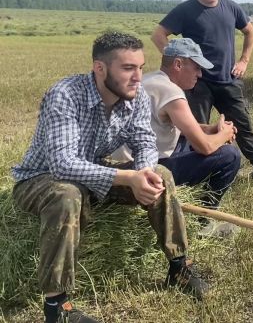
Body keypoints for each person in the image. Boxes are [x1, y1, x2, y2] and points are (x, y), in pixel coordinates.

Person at [12, 32, 209, 323]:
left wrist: (143, 173)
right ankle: (57, 307)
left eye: (141, 67)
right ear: (100, 68)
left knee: (161, 174)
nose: (138, 77)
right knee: (68, 195)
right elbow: (63, 164)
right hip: (41, 177)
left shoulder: (137, 95)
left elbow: (144, 142)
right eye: (128, 68)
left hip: (92, 172)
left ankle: (179, 266)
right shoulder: (65, 95)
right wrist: (127, 176)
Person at [151, 0, 253, 179]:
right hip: (198, 82)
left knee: (243, 125)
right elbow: (158, 35)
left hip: (229, 79)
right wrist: (176, 60)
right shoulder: (186, 10)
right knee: (196, 129)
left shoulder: (231, 8)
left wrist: (244, 61)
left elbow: (250, 31)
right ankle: (201, 172)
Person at [112, 37, 241, 238]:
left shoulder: (151, 80)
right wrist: (223, 135)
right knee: (230, 155)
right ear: (178, 64)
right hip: (148, 169)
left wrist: (211, 128)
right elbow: (205, 148)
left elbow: (177, 125)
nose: (200, 74)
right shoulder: (171, 91)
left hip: (124, 164)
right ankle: (203, 221)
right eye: (196, 67)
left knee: (189, 140)